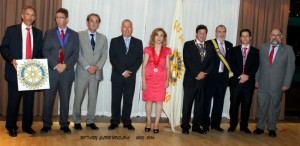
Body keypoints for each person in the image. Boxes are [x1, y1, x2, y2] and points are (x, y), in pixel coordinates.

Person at [0, 6, 43, 137]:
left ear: (35, 18)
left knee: (29, 102)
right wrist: (11, 59)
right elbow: (3, 48)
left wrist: (39, 64)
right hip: (15, 71)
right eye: (28, 14)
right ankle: (11, 126)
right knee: (14, 101)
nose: (30, 17)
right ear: (22, 16)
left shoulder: (38, 33)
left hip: (31, 72)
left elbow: (40, 52)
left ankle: (27, 126)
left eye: (33, 15)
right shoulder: (11, 30)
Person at [41, 8, 79, 134]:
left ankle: (64, 124)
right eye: (56, 17)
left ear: (67, 19)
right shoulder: (49, 32)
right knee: (48, 100)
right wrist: (56, 64)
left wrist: (65, 65)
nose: (58, 19)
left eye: (61, 17)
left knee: (65, 100)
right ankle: (46, 124)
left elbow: (75, 54)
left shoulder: (74, 34)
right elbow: (45, 50)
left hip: (66, 73)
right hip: (52, 71)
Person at [254, 28, 295, 137]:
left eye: (277, 35)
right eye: (273, 35)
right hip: (263, 83)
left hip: (278, 84)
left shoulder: (288, 49)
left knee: (274, 107)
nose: (275, 37)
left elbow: (290, 68)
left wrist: (287, 83)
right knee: (262, 106)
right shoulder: (263, 47)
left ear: (281, 37)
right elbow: (259, 66)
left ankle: (272, 128)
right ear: (270, 36)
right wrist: (256, 79)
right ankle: (260, 127)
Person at [73, 13, 108, 130]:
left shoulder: (103, 38)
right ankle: (77, 121)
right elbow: (77, 53)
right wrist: (88, 66)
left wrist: (96, 67)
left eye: (96, 21)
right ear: (87, 22)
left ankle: (90, 121)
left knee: (93, 98)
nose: (94, 23)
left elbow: (104, 56)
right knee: (78, 97)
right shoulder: (78, 35)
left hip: (96, 73)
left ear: (99, 24)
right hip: (82, 72)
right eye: (92, 21)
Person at [108, 19, 143, 131]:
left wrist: (130, 71)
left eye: (129, 27)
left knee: (128, 100)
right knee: (116, 100)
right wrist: (123, 71)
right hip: (118, 75)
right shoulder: (114, 41)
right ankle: (114, 121)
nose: (127, 29)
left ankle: (127, 122)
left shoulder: (138, 42)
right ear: (121, 28)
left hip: (131, 77)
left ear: (132, 29)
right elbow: (112, 58)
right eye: (124, 26)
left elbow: (139, 60)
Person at [180, 25, 213, 135]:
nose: (202, 35)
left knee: (200, 105)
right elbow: (187, 61)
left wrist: (204, 73)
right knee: (187, 105)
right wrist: (197, 73)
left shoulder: (210, 46)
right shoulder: (188, 44)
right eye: (200, 33)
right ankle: (185, 126)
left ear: (206, 34)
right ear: (196, 33)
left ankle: (196, 126)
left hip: (203, 80)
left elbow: (211, 63)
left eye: (204, 33)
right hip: (191, 80)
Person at [228, 29, 259, 134]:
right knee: (234, 105)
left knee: (246, 105)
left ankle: (244, 126)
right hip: (236, 82)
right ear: (240, 38)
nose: (245, 38)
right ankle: (232, 125)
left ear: (250, 38)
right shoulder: (233, 50)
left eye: (247, 36)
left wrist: (247, 76)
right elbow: (231, 64)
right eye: (243, 36)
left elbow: (256, 66)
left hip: (248, 83)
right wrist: (240, 75)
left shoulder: (256, 51)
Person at [203, 25, 233, 132]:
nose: (221, 34)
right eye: (219, 31)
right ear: (215, 33)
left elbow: (230, 62)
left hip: (223, 78)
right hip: (210, 78)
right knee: (207, 102)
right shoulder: (209, 43)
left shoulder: (229, 45)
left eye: (223, 31)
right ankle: (205, 124)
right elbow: (205, 61)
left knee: (219, 102)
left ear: (225, 32)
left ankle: (215, 124)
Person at [142, 28, 171, 134]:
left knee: (159, 102)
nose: (159, 37)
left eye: (161, 35)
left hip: (161, 80)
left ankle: (156, 123)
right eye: (157, 35)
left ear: (164, 38)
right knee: (149, 101)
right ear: (153, 37)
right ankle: (149, 121)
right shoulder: (148, 49)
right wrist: (143, 81)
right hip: (149, 79)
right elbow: (144, 66)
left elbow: (168, 66)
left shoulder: (167, 50)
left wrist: (167, 79)